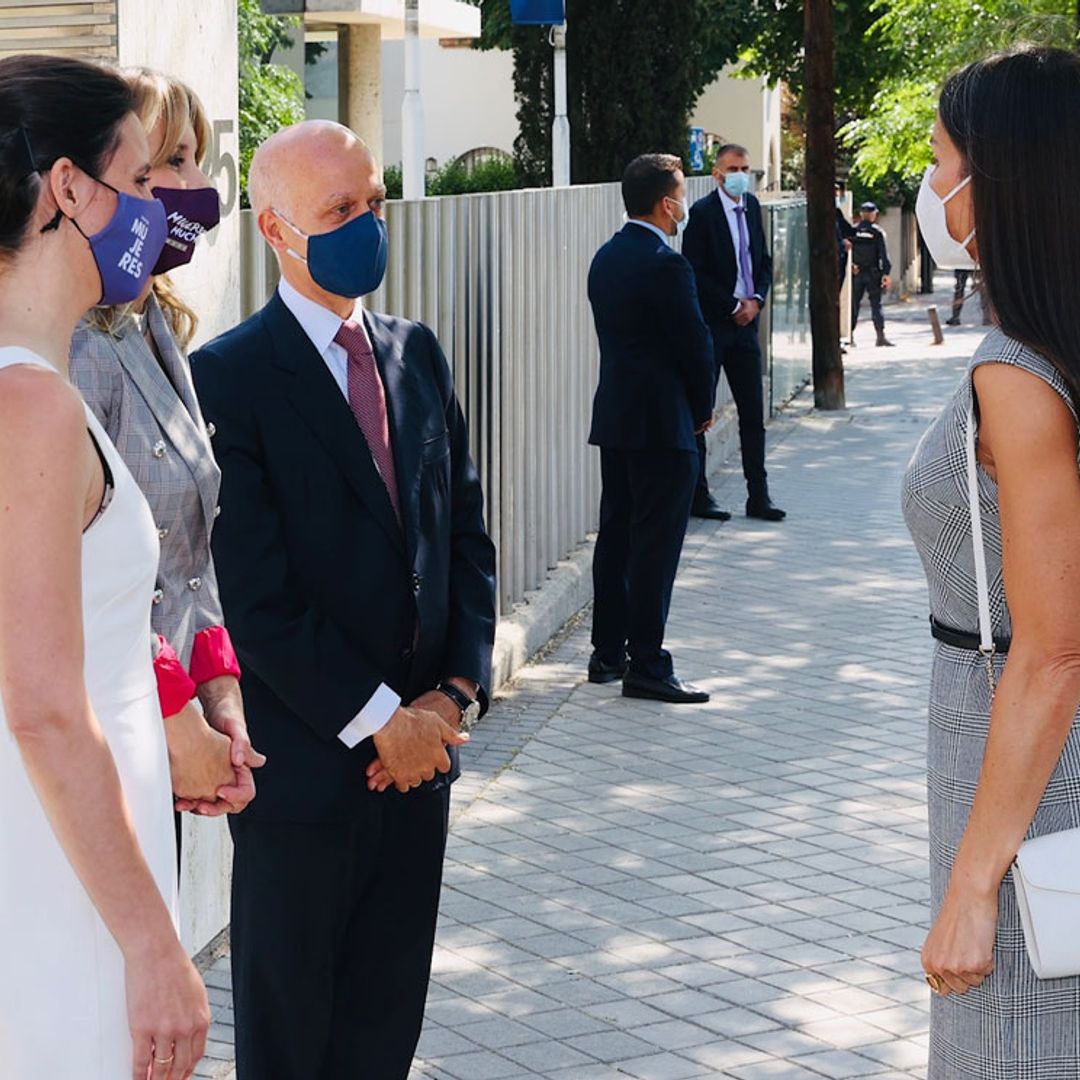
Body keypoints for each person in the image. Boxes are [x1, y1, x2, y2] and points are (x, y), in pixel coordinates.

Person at [190, 119, 497, 1080]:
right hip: (310, 781)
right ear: (278, 230)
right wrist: (379, 724)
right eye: (340, 210)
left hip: (421, 772)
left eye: (373, 202)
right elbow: (256, 594)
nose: (367, 224)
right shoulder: (230, 380)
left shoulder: (419, 353)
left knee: (383, 1029)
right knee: (292, 1041)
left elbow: (466, 543)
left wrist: (452, 697)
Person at [0, 54, 209, 1079]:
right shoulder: (29, 408)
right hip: (63, 901)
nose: (155, 212)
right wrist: (150, 945)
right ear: (70, 189)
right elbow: (42, 704)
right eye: (137, 183)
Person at [902, 45, 1080, 1078]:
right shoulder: (1043, 346)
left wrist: (973, 885)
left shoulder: (1017, 372)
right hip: (1016, 747)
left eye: (939, 160)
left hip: (1023, 759)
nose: (931, 188)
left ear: (998, 182)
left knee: (1013, 1043)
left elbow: (1053, 652)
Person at [69, 68, 263, 826]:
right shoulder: (78, 341)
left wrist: (223, 698)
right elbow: (83, 572)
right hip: (108, 728)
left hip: (167, 729)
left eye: (194, 160)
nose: (189, 188)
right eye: (161, 166)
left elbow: (188, 554)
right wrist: (181, 716)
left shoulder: (154, 325)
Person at [586, 153, 715, 703]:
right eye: (681, 194)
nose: (682, 205)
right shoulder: (667, 264)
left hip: (616, 416)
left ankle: (606, 652)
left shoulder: (605, 257)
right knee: (655, 546)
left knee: (616, 536)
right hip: (663, 424)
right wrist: (703, 405)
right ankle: (648, 663)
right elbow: (694, 343)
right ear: (668, 204)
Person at [683, 143, 785, 522]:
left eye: (745, 167)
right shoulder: (702, 214)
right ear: (717, 174)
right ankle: (699, 496)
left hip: (747, 326)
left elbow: (763, 261)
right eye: (733, 168)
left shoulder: (752, 207)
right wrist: (731, 305)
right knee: (702, 412)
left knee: (752, 414)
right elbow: (694, 272)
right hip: (716, 325)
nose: (741, 174)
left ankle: (758, 496)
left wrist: (756, 298)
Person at [850, 201, 895, 347]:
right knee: (876, 304)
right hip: (873, 274)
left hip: (856, 273)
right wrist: (886, 273)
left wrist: (851, 266)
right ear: (873, 215)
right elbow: (884, 255)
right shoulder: (877, 232)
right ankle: (880, 337)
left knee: (854, 305)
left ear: (861, 214)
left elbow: (847, 250)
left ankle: (850, 336)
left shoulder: (853, 231)